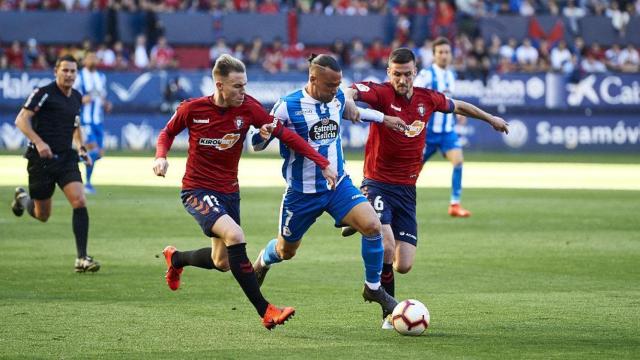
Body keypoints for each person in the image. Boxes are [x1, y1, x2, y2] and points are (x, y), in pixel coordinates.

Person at [152, 54, 337, 330]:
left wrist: (322, 163)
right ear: (219, 85)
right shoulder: (193, 109)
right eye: (237, 86)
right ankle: (266, 310)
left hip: (229, 192)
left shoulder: (249, 108)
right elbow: (167, 133)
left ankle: (176, 258)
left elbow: (286, 135)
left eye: (245, 85)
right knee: (236, 235)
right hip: (197, 190)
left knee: (222, 261)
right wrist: (161, 156)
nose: (243, 92)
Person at [341, 47, 509, 328]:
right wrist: (347, 100)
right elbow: (351, 90)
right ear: (389, 73)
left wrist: (491, 119)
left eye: (407, 74)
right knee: (385, 245)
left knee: (403, 264)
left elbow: (459, 106)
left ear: (415, 73)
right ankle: (388, 313)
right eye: (397, 74)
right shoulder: (381, 93)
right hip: (377, 181)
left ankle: (358, 218)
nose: (402, 80)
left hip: (407, 189)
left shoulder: (426, 99)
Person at [251, 54, 408, 323]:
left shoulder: (335, 99)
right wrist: (262, 136)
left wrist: (385, 119)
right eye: (331, 85)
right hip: (301, 193)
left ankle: (372, 288)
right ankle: (263, 261)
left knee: (372, 226)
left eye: (339, 85)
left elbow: (354, 112)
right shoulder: (287, 106)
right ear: (313, 79)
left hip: (338, 186)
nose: (336, 91)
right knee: (285, 251)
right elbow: (256, 143)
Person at [10, 55, 100, 273]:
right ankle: (23, 200)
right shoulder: (43, 93)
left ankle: (82, 258)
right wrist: (39, 142)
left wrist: (80, 148)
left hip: (66, 158)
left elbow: (75, 125)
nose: (69, 75)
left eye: (73, 71)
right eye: (65, 70)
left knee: (79, 200)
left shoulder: (76, 97)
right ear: (56, 72)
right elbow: (21, 119)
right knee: (42, 215)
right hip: (41, 161)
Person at [415, 37, 475, 217]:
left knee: (458, 161)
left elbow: (451, 100)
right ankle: (401, 201)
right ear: (434, 55)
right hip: (427, 132)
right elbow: (413, 96)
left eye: (447, 52)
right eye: (440, 52)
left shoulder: (451, 75)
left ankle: (455, 204)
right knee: (413, 170)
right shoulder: (426, 75)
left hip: (447, 131)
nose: (444, 55)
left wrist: (458, 113)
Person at [74, 51, 111, 194]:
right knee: (93, 151)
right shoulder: (79, 77)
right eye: (90, 58)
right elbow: (72, 95)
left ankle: (68, 162)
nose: (93, 60)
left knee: (99, 154)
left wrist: (106, 104)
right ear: (84, 61)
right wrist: (81, 99)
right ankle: (87, 183)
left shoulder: (101, 77)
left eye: (95, 58)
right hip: (86, 121)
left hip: (98, 121)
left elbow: (101, 97)